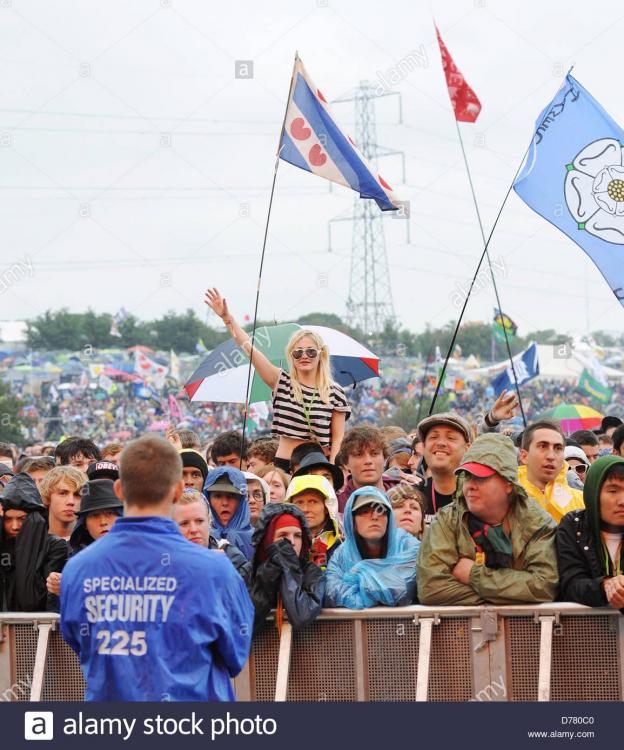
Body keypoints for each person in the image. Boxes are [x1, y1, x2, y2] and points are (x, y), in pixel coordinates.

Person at [60, 435, 253, 701]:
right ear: (177, 490)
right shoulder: (215, 569)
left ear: (119, 490)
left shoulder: (78, 569)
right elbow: (236, 654)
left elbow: (80, 642)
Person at [206, 288, 351, 470]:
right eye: (298, 353)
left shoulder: (335, 392)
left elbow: (337, 439)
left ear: (321, 355)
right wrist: (227, 319)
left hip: (319, 466)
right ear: (291, 356)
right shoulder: (282, 382)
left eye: (311, 351)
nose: (304, 356)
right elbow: (249, 348)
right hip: (285, 466)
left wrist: (333, 470)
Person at [417, 434, 558, 606]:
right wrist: (509, 595)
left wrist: (473, 575)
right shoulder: (447, 519)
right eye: (467, 477)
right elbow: (431, 589)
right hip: (460, 631)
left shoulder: (537, 523)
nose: (470, 486)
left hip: (525, 631)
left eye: (480, 477)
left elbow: (544, 586)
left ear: (508, 484)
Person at [324, 486, 420, 609]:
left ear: (389, 518)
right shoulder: (341, 555)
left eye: (381, 511)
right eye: (364, 511)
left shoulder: (408, 545)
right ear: (352, 521)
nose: (374, 516)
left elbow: (402, 588)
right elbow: (332, 593)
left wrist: (359, 573)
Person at [556, 456, 624, 610]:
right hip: (583, 631)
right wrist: (604, 586)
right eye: (613, 490)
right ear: (593, 491)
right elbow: (570, 583)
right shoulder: (573, 526)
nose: (622, 501)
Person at [46, 479, 124, 607]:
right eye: (94, 515)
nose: (103, 521)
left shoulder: (141, 554)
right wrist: (59, 590)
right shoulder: (75, 563)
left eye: (110, 513)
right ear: (85, 524)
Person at [251, 503, 323, 634]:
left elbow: (301, 615)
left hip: (306, 652)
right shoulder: (251, 571)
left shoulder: (312, 572)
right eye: (283, 535)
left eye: (297, 535)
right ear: (268, 539)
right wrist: (269, 575)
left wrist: (288, 568)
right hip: (261, 653)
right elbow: (245, 622)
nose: (292, 542)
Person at [0, 473, 68, 612]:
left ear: (35, 519)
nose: (14, 526)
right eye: (8, 519)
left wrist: (29, 541)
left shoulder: (54, 546)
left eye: (22, 519)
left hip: (36, 629)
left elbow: (31, 601)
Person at [172, 490, 252, 587]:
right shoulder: (164, 561)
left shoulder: (231, 558)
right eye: (184, 523)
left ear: (209, 522)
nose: (193, 530)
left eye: (199, 521)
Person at [518, 420, 585, 523]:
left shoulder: (582, 502)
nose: (551, 456)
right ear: (524, 456)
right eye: (542, 446)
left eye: (558, 448)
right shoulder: (509, 499)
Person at [336, 426, 402, 513]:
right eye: (358, 454)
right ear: (346, 463)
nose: (368, 461)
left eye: (374, 453)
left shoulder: (404, 495)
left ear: (385, 458)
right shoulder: (336, 505)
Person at [285, 475, 342, 569]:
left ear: (327, 507)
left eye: (313, 502)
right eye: (299, 502)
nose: (305, 509)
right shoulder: (281, 543)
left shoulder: (341, 547)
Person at [204, 466, 254, 560]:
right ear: (208, 499)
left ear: (242, 500)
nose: (225, 503)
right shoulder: (198, 536)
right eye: (218, 496)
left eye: (231, 496)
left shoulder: (257, 540)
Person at [39, 466, 86, 540]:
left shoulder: (93, 543)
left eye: (77, 495)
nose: (71, 501)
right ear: (47, 497)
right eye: (63, 493)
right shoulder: (33, 543)